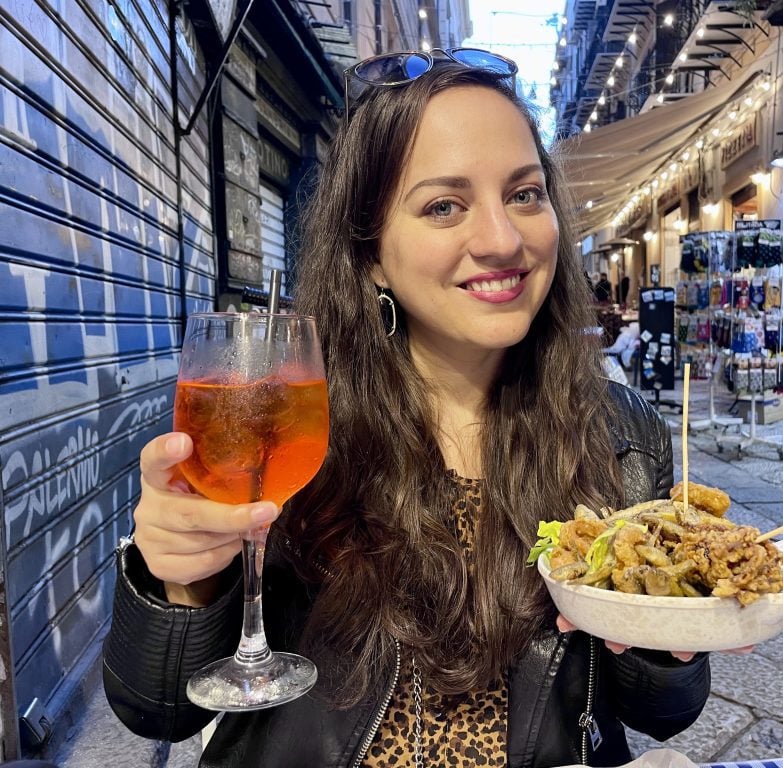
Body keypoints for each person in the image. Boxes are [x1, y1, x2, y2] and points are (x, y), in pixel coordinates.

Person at [103, 49, 730, 767]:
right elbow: (156, 706)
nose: (502, 240)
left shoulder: (623, 435)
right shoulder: (285, 428)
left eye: (525, 194)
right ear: (370, 253)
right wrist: (182, 579)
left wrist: (668, 638)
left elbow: (665, 712)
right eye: (443, 206)